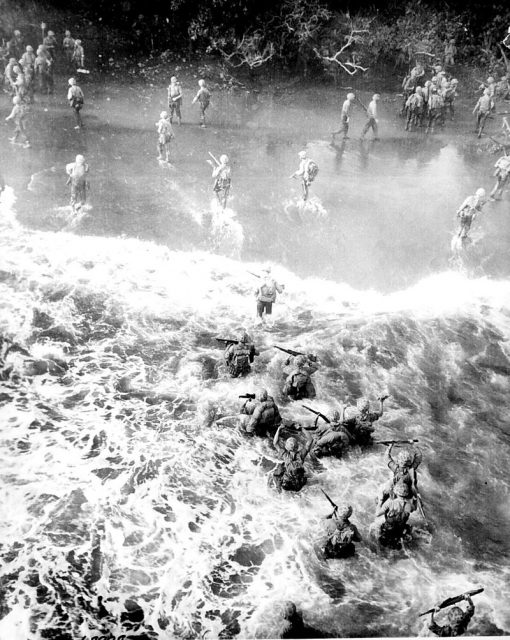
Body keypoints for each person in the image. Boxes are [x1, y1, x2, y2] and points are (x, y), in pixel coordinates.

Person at [377, 444, 422, 508]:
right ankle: (415, 501)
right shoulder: (412, 468)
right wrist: (414, 445)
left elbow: (386, 458)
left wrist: (389, 447)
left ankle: (380, 502)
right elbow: (419, 457)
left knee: (383, 489)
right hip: (409, 494)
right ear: (410, 461)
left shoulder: (396, 468)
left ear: (398, 461)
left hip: (396, 493)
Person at [271, 424, 313, 492]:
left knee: (278, 471)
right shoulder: (302, 454)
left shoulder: (285, 454)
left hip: (288, 483)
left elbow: (275, 443)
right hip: (299, 483)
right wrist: (302, 429)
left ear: (287, 446)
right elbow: (310, 440)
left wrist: (279, 429)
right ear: (297, 447)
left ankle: (279, 489)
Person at [375, 480, 416, 547]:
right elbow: (415, 508)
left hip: (387, 531)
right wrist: (415, 499)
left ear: (396, 492)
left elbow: (377, 514)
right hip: (399, 532)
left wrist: (380, 502)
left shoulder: (390, 502)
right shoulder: (409, 505)